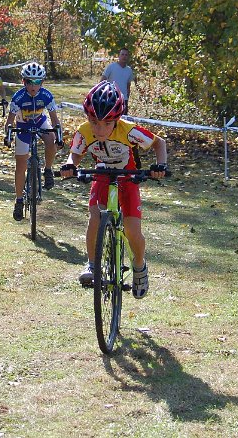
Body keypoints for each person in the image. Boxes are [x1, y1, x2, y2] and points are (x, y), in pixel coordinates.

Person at [59, 81, 168, 297]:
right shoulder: (84, 131)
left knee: (132, 230)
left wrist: (160, 165)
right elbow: (76, 153)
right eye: (94, 122)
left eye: (106, 123)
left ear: (117, 120)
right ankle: (92, 264)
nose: (99, 129)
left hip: (128, 178)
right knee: (95, 218)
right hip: (102, 175)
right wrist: (70, 165)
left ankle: (139, 266)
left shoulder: (129, 130)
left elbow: (159, 144)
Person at [4, 62, 63, 221]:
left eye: (37, 82)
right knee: (21, 165)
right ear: (23, 81)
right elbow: (9, 121)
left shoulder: (47, 95)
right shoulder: (18, 97)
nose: (33, 86)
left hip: (40, 122)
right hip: (22, 126)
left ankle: (48, 170)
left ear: (42, 82)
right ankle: (19, 200)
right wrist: (8, 135)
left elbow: (54, 120)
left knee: (50, 139)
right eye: (29, 82)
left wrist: (59, 136)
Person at [101, 48, 136, 114]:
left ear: (128, 57)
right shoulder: (111, 67)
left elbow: (128, 86)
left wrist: (126, 99)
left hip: (123, 100)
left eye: (126, 55)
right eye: (122, 54)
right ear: (118, 56)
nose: (124, 56)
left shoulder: (129, 70)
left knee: (123, 119)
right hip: (111, 98)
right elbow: (102, 82)